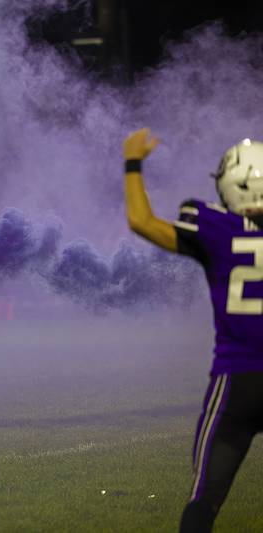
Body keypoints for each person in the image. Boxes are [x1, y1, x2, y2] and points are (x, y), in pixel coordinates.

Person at [124, 128, 263, 532]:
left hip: (236, 382)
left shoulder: (215, 227)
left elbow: (140, 220)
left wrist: (132, 163)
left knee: (203, 503)